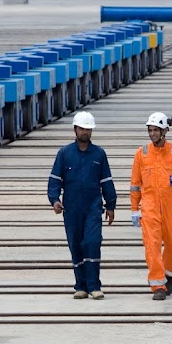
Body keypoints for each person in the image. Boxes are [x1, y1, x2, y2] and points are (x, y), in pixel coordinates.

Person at [47, 111, 117, 300]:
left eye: (88, 129)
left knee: (92, 242)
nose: (85, 132)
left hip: (93, 207)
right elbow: (54, 181)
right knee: (76, 245)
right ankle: (81, 286)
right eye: (82, 128)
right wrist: (54, 200)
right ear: (75, 129)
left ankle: (94, 286)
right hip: (71, 209)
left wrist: (110, 205)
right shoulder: (64, 154)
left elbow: (107, 181)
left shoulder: (99, 154)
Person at [130, 112, 172, 301]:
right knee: (152, 246)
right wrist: (135, 209)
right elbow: (135, 184)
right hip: (149, 207)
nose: (152, 134)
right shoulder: (141, 154)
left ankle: (169, 273)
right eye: (150, 130)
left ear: (164, 131)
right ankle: (158, 285)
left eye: (156, 130)